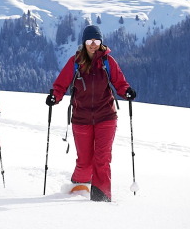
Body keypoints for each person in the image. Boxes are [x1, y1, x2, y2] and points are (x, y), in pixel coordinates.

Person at [47, 24, 135, 202]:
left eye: (96, 40)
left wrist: (126, 91)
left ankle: (101, 198)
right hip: (81, 118)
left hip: (106, 116)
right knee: (85, 161)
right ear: (84, 42)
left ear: (101, 42)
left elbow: (120, 83)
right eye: (89, 40)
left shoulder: (108, 62)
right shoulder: (75, 62)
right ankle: (79, 183)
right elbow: (61, 84)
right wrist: (55, 97)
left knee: (102, 159)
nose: (93, 44)